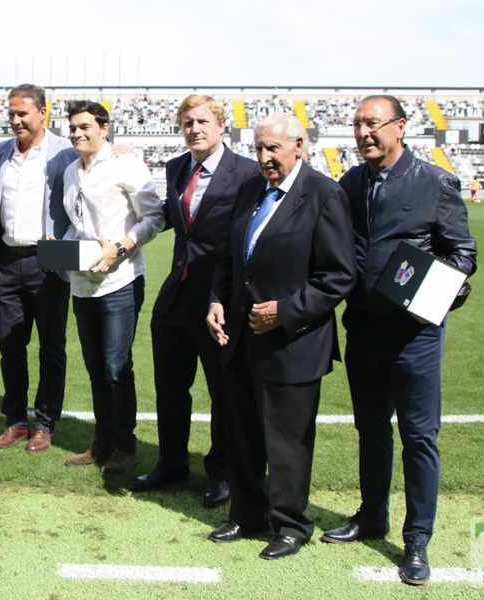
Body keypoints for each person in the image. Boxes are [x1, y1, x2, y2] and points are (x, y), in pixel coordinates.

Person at [321, 95, 477, 585]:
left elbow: (464, 254)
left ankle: (417, 540)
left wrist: (443, 287)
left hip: (415, 335)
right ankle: (372, 516)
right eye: (358, 125)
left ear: (400, 127)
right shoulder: (351, 182)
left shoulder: (435, 182)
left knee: (418, 437)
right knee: (370, 430)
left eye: (373, 123)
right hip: (363, 328)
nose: (365, 132)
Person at [204, 114, 356, 560]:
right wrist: (216, 300)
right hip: (240, 339)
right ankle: (247, 513)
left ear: (299, 146)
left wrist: (285, 312)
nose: (265, 158)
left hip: (293, 343)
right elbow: (231, 258)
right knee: (243, 434)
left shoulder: (325, 194)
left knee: (287, 442)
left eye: (273, 149)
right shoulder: (250, 190)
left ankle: (291, 524)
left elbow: (338, 276)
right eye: (259, 149)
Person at [129, 95, 259, 507]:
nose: (195, 129)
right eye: (187, 123)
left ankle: (220, 471)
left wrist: (224, 296)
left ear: (222, 125)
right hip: (176, 294)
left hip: (219, 300)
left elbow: (248, 241)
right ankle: (172, 462)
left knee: (222, 390)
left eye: (203, 121)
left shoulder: (248, 173)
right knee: (169, 386)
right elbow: (171, 217)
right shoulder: (176, 167)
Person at [61, 101, 163, 477]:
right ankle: (103, 442)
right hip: (81, 284)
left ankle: (126, 448)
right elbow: (79, 226)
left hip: (120, 281)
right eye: (72, 127)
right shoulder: (71, 171)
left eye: (85, 127)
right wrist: (63, 246)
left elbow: (155, 217)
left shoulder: (127, 164)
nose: (77, 133)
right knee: (95, 369)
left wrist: (120, 247)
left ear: (105, 129)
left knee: (117, 368)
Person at [0, 84, 76, 453]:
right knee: (10, 346)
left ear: (42, 114)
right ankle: (16, 421)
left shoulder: (65, 151)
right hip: (8, 262)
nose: (15, 120)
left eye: (23, 114)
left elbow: (95, 172)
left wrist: (121, 150)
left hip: (49, 264)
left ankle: (45, 425)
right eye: (12, 114)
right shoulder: (1, 153)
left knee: (51, 348)